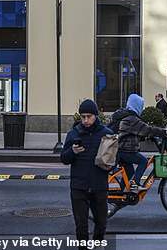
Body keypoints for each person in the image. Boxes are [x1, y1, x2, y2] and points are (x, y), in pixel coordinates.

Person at [60, 99, 112, 248]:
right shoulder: (74, 134)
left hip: (99, 186)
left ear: (96, 116)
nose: (86, 120)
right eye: (83, 117)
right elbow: (64, 158)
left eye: (89, 116)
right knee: (81, 226)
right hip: (79, 186)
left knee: (101, 224)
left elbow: (115, 158)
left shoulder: (106, 134)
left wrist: (109, 166)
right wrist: (72, 151)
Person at [115, 94, 167, 191]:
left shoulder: (129, 117)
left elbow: (132, 134)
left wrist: (145, 138)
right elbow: (147, 129)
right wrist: (163, 132)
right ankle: (135, 182)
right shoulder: (132, 119)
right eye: (141, 105)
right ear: (137, 105)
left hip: (122, 150)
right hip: (126, 151)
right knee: (143, 161)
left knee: (129, 171)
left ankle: (120, 193)